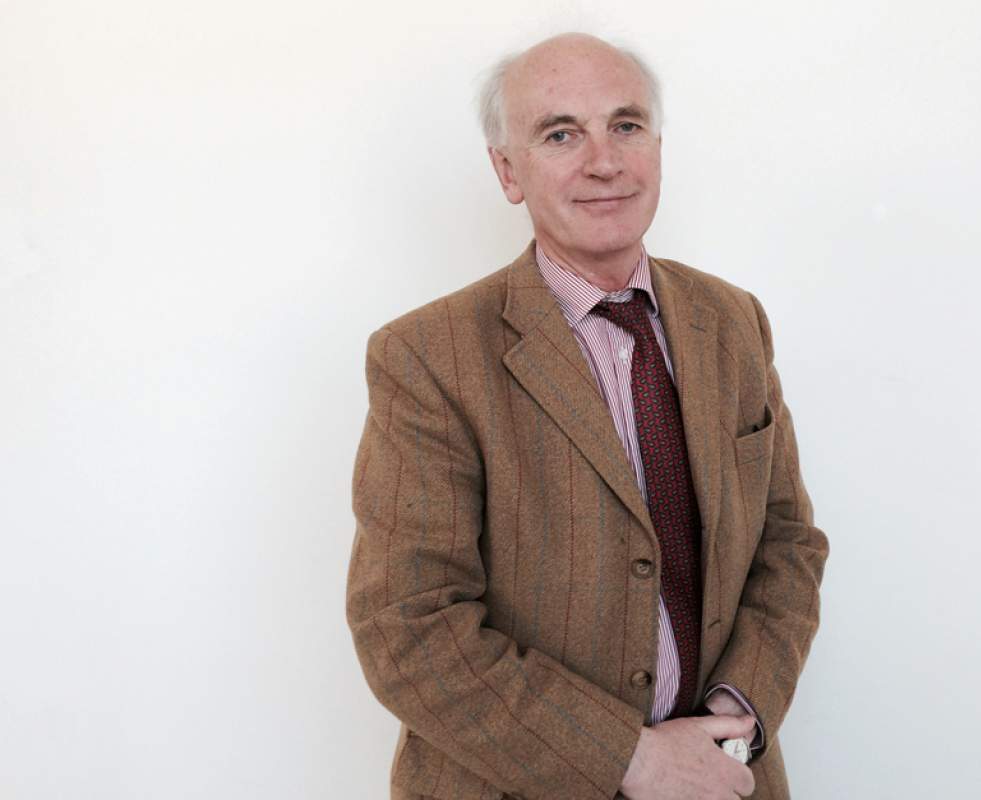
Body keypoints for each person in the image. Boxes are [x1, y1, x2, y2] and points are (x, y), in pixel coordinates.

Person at [346, 32, 829, 800]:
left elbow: (788, 543)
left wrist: (734, 720)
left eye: (626, 126)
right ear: (508, 170)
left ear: (658, 148)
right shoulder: (427, 356)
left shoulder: (733, 321)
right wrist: (631, 760)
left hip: (722, 779)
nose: (604, 161)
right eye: (561, 133)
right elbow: (408, 628)